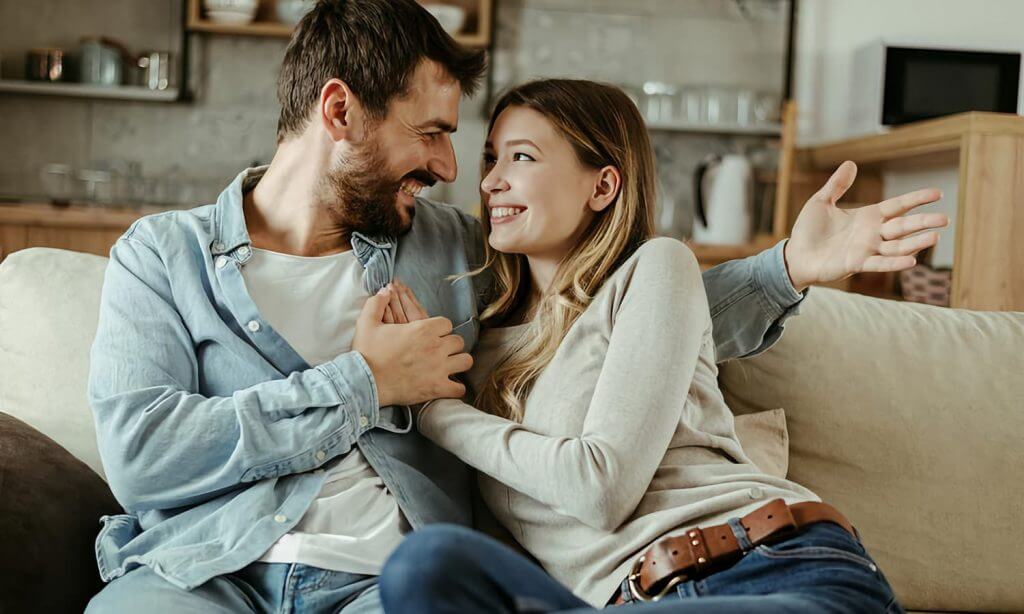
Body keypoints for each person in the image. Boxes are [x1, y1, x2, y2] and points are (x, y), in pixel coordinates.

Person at [85, 2, 946, 612]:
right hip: (203, 574)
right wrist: (363, 383)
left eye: (490, 150)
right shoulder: (165, 256)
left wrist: (787, 268)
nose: (456, 169)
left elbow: (612, 315)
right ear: (339, 110)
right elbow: (143, 455)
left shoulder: (455, 250)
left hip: (387, 582)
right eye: (432, 134)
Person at [377, 79, 946, 613]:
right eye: (492, 158)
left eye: (521, 157)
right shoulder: (478, 352)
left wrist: (436, 412)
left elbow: (599, 487)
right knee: (427, 564)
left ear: (603, 185)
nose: (491, 181)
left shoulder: (656, 267)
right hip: (621, 600)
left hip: (767, 568)